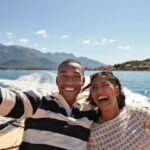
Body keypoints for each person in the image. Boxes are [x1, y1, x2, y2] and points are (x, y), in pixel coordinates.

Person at [0, 59, 98, 150]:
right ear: (57, 80)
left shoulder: (91, 111)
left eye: (76, 77)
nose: (69, 82)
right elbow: (10, 100)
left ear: (83, 81)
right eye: (64, 76)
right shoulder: (41, 99)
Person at [85, 71, 150, 150]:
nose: (99, 91)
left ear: (117, 90)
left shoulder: (135, 112)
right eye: (94, 87)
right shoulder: (93, 135)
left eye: (105, 85)